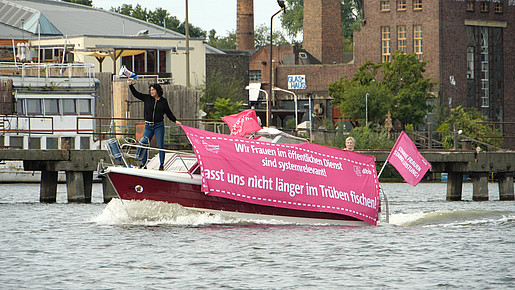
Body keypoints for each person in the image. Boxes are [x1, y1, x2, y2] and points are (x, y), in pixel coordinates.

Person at [128, 78, 181, 170]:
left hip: (159, 125)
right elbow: (136, 94)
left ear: (157, 91)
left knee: (160, 145)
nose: (151, 91)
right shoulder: (147, 98)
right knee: (144, 143)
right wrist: (130, 85)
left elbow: (168, 112)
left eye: (153, 90)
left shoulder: (163, 101)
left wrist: (175, 120)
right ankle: (143, 164)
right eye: (150, 90)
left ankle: (161, 164)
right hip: (148, 125)